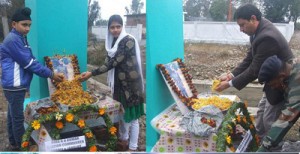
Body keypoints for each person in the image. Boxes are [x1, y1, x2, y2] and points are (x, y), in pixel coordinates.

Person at [215, 4, 294, 141]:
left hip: (280, 83)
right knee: (261, 112)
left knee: (270, 120)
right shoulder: (258, 30)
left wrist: (229, 84)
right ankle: (258, 142)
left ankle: (272, 148)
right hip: (271, 80)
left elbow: (254, 70)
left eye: (242, 25)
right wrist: (231, 75)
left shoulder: (267, 37)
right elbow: (250, 58)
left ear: (253, 19)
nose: (241, 30)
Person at [0, 7, 64, 151]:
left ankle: (14, 143)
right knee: (17, 118)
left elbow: (31, 58)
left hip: (13, 85)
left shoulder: (20, 38)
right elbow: (29, 64)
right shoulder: (13, 40)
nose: (27, 28)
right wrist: (51, 74)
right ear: (14, 24)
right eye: (24, 25)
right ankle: (24, 146)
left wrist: (48, 71)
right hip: (15, 85)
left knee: (12, 116)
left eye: (29, 25)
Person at [80, 14, 145, 151]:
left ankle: (132, 147)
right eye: (112, 27)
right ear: (108, 29)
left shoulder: (128, 41)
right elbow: (108, 61)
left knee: (133, 117)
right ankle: (123, 141)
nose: (115, 30)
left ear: (123, 27)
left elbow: (114, 62)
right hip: (120, 85)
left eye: (118, 26)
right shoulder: (113, 43)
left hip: (131, 86)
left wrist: (92, 73)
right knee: (122, 114)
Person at [256, 55, 300, 152]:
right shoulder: (292, 65)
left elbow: (286, 119)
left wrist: (263, 149)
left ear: (281, 76)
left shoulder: (297, 81)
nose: (273, 88)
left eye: (273, 84)